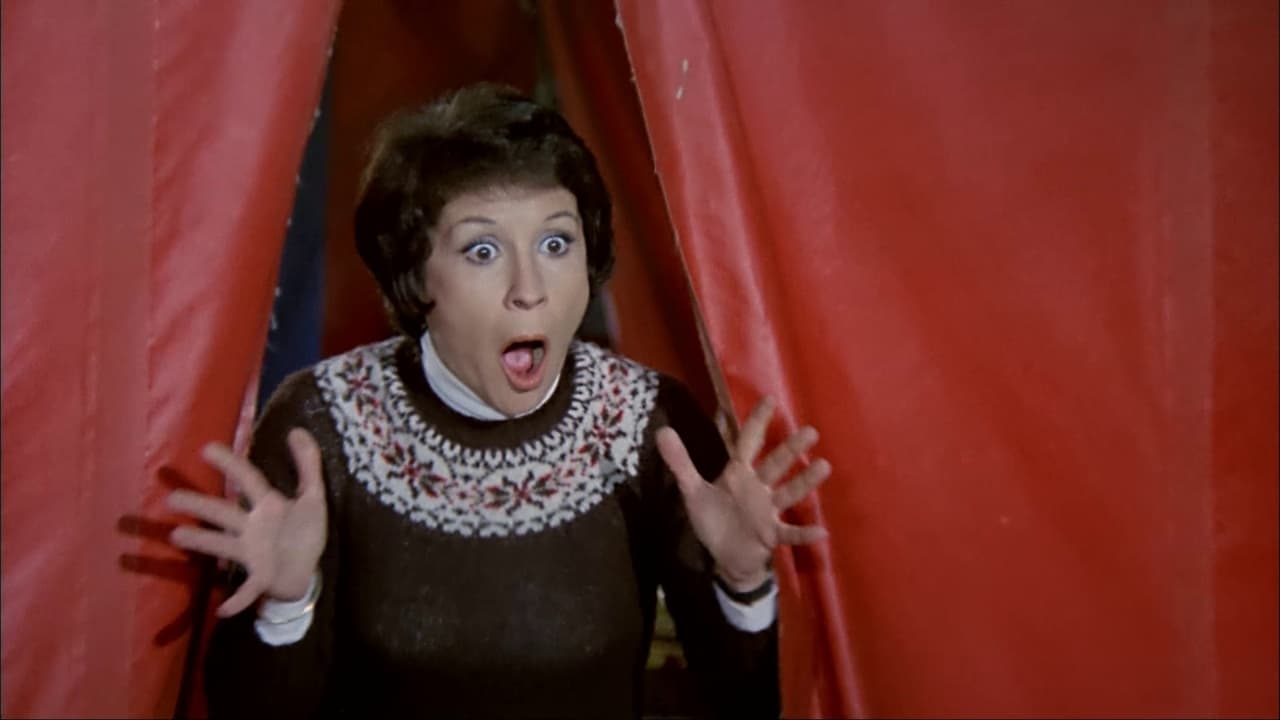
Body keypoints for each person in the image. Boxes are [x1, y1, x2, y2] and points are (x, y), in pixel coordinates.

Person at [165, 82, 830, 719]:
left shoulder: (652, 423)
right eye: (482, 250)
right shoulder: (318, 424)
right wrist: (287, 606)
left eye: (556, 243)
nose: (529, 288)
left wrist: (743, 584)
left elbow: (747, 705)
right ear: (415, 275)